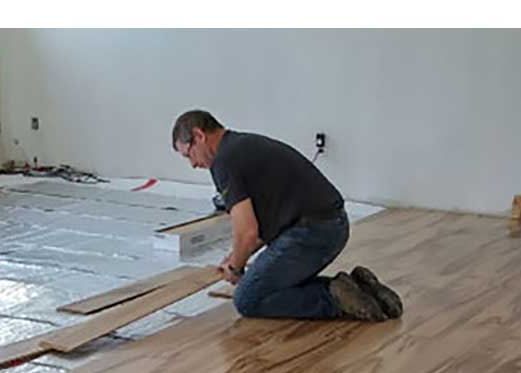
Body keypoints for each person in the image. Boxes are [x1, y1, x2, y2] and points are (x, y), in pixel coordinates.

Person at [171, 109, 402, 322]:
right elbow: (263, 227)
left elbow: (247, 232)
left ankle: (335, 300)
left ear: (199, 136)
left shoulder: (223, 162)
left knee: (248, 299)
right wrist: (235, 257)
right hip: (331, 225)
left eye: (188, 154)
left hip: (314, 233)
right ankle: (362, 290)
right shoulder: (242, 146)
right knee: (265, 282)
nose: (193, 164)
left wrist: (236, 268)